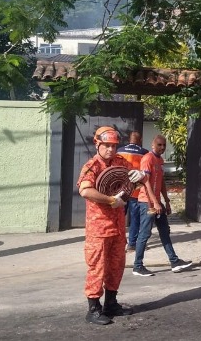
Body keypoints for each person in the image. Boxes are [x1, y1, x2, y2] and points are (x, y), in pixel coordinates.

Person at [76, 126, 146, 325]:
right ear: (97, 144)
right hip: (98, 228)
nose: (110, 149)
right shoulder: (92, 166)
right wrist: (110, 200)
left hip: (118, 226)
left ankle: (111, 304)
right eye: (106, 145)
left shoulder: (120, 162)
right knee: (97, 267)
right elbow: (85, 190)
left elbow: (137, 180)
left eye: (114, 146)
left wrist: (141, 176)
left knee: (116, 265)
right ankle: (93, 309)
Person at [132, 134, 193, 277]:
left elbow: (161, 182)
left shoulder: (160, 160)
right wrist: (155, 202)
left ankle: (174, 261)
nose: (162, 147)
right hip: (146, 202)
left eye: (164, 145)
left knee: (165, 231)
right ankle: (137, 266)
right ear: (153, 145)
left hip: (158, 202)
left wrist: (166, 201)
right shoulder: (148, 159)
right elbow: (146, 183)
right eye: (159, 145)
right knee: (144, 234)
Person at [117, 131, 148, 253]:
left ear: (129, 139)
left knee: (119, 217)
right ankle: (132, 244)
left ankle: (119, 243)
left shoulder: (119, 151)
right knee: (135, 218)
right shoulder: (144, 153)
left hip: (122, 191)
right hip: (136, 191)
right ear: (140, 140)